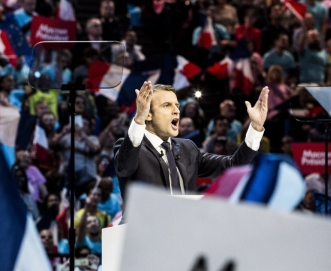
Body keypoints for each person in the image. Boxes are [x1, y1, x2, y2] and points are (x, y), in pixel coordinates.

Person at [114, 82, 268, 204]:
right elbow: (124, 168)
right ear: (148, 114)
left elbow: (233, 165)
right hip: (140, 235)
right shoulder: (129, 146)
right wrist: (138, 119)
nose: (176, 111)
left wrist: (255, 127)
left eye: (177, 105)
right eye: (167, 105)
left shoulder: (187, 148)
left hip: (182, 232)